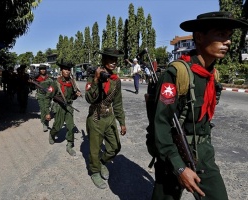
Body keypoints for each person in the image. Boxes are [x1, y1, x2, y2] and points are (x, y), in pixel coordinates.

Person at [150, 11, 248, 200]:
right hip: (172, 153)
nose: (227, 42)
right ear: (200, 37)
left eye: (229, 36)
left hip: (202, 153)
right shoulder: (177, 73)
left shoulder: (212, 75)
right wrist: (179, 167)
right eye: (220, 34)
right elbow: (160, 125)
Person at [85, 48, 127, 189]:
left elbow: (118, 102)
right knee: (94, 150)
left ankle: (102, 162)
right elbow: (89, 98)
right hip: (96, 117)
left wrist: (122, 122)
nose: (113, 63)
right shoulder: (93, 76)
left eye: (115, 60)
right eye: (110, 60)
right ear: (103, 61)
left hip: (109, 117)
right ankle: (95, 172)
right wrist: (96, 80)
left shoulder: (116, 81)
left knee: (115, 147)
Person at [44, 62, 82, 156]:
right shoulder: (56, 83)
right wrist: (47, 112)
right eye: (65, 69)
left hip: (68, 107)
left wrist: (76, 95)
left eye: (69, 69)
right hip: (59, 107)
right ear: (61, 71)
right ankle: (52, 135)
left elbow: (72, 97)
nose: (67, 71)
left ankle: (69, 145)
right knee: (57, 127)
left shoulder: (72, 82)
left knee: (70, 127)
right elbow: (48, 97)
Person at [33, 64, 53, 132]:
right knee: (43, 110)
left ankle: (46, 122)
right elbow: (32, 87)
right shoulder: (36, 78)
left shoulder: (49, 78)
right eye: (41, 69)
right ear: (39, 70)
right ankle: (44, 124)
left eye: (44, 69)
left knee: (47, 109)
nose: (43, 70)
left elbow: (52, 87)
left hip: (48, 96)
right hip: (40, 96)